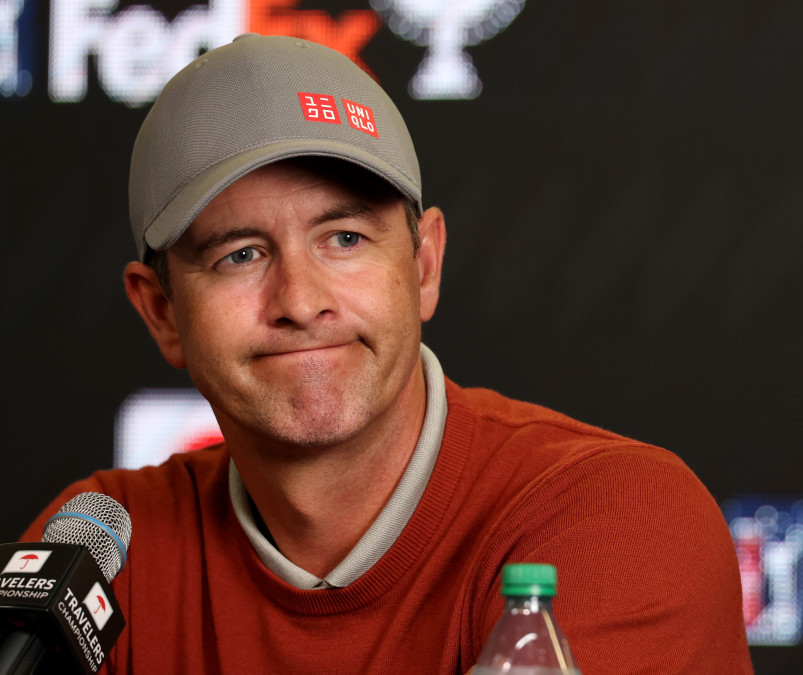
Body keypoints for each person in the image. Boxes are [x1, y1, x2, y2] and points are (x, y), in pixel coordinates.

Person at [21, 34, 752, 674]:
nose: (300, 300)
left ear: (424, 264)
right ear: (161, 311)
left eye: (345, 238)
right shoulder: (105, 548)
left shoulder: (620, 518)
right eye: (240, 254)